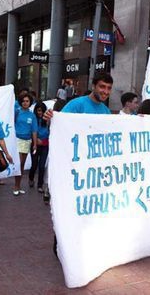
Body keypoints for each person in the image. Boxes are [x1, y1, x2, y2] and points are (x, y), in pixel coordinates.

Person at [44, 73, 113, 257]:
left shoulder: (105, 112)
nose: (105, 91)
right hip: (72, 168)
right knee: (68, 208)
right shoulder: (76, 104)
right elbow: (58, 123)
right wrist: (50, 117)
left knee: (87, 209)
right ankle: (61, 247)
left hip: (91, 172)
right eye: (102, 87)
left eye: (108, 88)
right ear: (93, 86)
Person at [13, 93, 37, 196]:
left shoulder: (32, 115)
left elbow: (34, 130)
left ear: (30, 102)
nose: (25, 103)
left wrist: (35, 144)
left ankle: (19, 186)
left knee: (22, 165)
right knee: (19, 163)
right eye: (23, 101)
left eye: (27, 101)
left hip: (27, 141)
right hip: (17, 140)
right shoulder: (17, 112)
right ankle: (16, 186)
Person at [28, 102, 49, 193]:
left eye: (41, 111)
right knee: (34, 165)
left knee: (42, 166)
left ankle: (40, 185)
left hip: (45, 146)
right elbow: (30, 132)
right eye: (38, 110)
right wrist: (35, 141)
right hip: (35, 145)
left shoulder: (48, 120)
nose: (40, 112)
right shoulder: (33, 119)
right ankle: (31, 178)